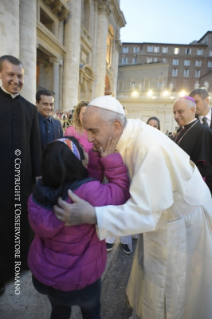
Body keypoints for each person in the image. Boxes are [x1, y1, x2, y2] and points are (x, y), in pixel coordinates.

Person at [53, 95, 212, 319]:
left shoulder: (148, 148)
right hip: (163, 215)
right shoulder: (128, 134)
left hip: (178, 223)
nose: (89, 138)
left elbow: (144, 214)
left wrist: (94, 215)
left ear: (116, 126)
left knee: (167, 286)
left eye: (93, 131)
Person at [27, 136, 129, 319]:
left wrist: (96, 158)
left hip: (45, 276)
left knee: (59, 312)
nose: (87, 145)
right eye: (83, 147)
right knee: (91, 312)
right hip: (79, 282)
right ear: (79, 162)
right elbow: (120, 193)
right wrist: (111, 159)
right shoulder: (87, 192)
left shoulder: (39, 190)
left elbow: (86, 183)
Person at [0, 55, 42, 295]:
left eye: (20, 76)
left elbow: (35, 147)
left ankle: (20, 267)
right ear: (1, 75)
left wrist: (37, 181)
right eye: (11, 75)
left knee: (20, 226)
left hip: (22, 182)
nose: (16, 80)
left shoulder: (29, 108)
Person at [173, 96, 212, 193]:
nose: (176, 116)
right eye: (174, 112)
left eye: (180, 112)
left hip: (195, 190)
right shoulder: (181, 131)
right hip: (179, 187)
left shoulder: (204, 132)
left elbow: (206, 168)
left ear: (192, 110)